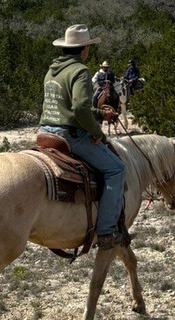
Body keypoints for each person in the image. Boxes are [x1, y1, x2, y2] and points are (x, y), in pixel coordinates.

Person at [39, 25, 128, 250]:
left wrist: (100, 114)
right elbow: (79, 108)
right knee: (116, 169)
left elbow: (68, 107)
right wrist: (97, 132)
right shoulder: (80, 71)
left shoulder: (52, 70)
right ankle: (106, 232)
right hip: (69, 135)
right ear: (85, 49)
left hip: (45, 132)